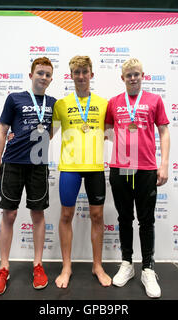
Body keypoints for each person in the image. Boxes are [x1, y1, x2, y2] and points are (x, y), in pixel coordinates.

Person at [0, 57, 56, 295]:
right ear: (30, 75)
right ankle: (3, 268)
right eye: (40, 73)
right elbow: (1, 132)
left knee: (38, 213)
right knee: (10, 214)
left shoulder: (53, 103)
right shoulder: (14, 98)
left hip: (38, 164)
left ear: (51, 78)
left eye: (48, 74)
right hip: (12, 163)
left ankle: (38, 265)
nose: (44, 77)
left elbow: (51, 131)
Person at [105, 58, 170, 298]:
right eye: (128, 75)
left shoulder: (155, 100)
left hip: (146, 168)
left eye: (136, 74)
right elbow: (106, 131)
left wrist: (163, 164)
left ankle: (148, 269)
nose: (132, 78)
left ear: (143, 75)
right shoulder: (114, 102)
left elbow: (164, 131)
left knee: (146, 220)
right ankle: (126, 264)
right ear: (122, 78)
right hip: (121, 168)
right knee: (124, 217)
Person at [51, 55, 111, 288]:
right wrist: (19, 140)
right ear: (71, 75)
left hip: (95, 167)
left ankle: (97, 266)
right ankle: (67, 267)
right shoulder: (61, 105)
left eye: (85, 71)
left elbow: (115, 134)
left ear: (91, 74)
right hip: (69, 168)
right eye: (76, 72)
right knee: (66, 216)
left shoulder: (104, 104)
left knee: (97, 216)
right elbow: (47, 136)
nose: (81, 76)